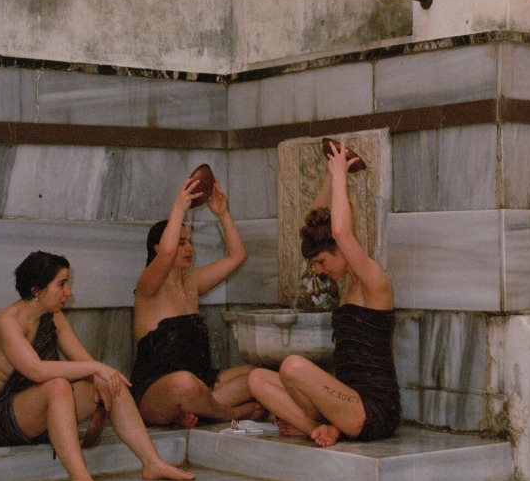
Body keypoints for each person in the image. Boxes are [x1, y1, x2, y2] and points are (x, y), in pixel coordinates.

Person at [0, 250, 195, 481]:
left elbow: (86, 363)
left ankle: (152, 463)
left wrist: (100, 374)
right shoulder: (7, 321)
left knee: (111, 381)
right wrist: (95, 369)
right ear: (37, 290)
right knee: (59, 385)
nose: (69, 292)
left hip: (37, 408)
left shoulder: (53, 317)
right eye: (61, 284)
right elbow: (36, 370)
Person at [247, 140, 400, 447]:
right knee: (257, 379)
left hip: (372, 411)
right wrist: (331, 174)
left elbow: (342, 231)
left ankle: (331, 427)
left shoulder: (373, 281)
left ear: (340, 251)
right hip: (342, 402)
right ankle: (318, 427)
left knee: (292, 366)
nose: (317, 270)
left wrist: (342, 170)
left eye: (320, 261)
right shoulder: (346, 286)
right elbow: (318, 215)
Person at [132, 172, 263, 428]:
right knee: (185, 384)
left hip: (201, 386)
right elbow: (168, 252)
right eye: (181, 243)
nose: (189, 248)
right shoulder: (147, 286)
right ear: (157, 249)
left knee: (258, 374)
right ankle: (231, 413)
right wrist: (179, 208)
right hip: (158, 393)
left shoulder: (191, 282)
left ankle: (203, 411)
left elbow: (237, 256)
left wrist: (222, 214)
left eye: (190, 242)